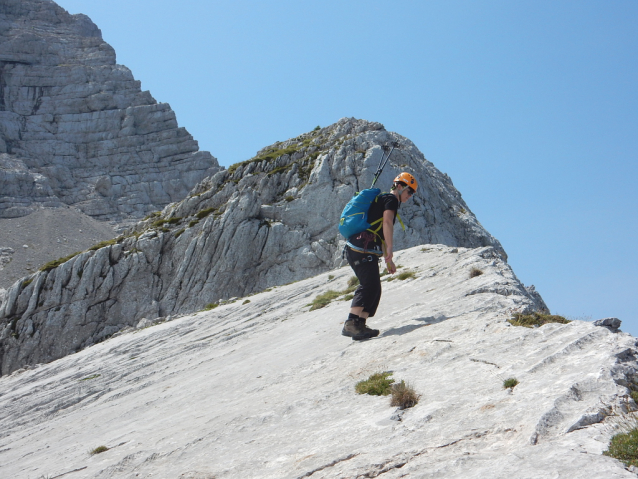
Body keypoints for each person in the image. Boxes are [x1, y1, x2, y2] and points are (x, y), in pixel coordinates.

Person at [342, 172, 418, 340]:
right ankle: (351, 324)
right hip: (361, 247)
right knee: (368, 284)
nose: (410, 196)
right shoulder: (390, 200)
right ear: (399, 187)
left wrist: (388, 259)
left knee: (375, 287)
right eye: (409, 192)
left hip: (362, 248)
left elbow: (380, 233)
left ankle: (360, 325)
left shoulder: (384, 201)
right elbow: (386, 223)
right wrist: (390, 247)